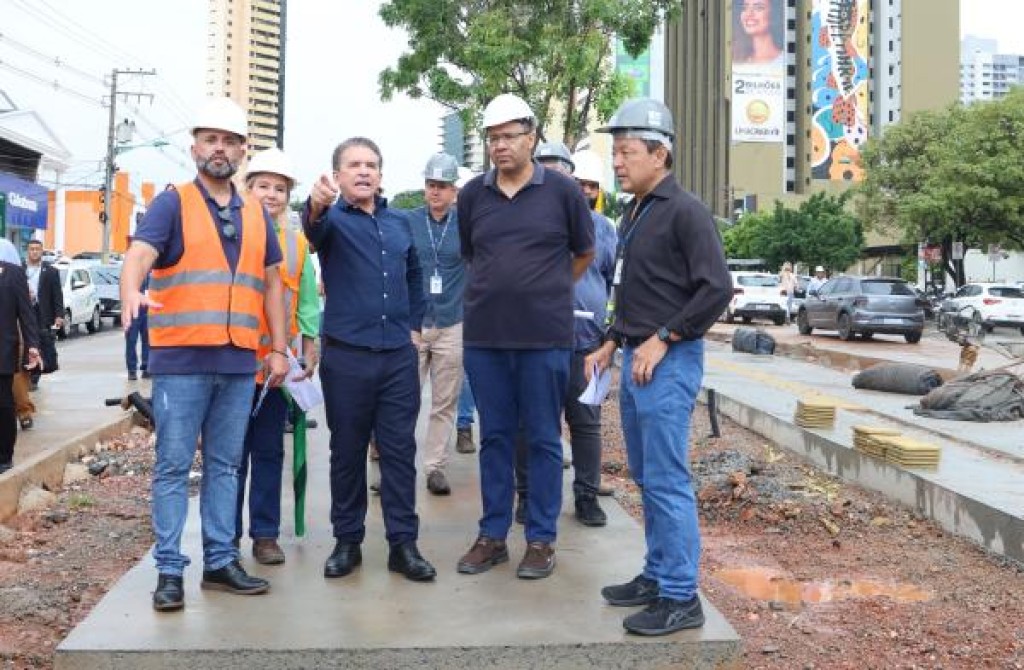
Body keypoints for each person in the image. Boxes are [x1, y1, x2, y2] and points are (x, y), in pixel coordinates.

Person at [120, 96, 289, 612]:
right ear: (195, 147)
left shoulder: (256, 213)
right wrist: (130, 290)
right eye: (211, 139)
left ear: (243, 151)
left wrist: (280, 348)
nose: (220, 148)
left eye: (230, 141)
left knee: (225, 466)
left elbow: (272, 284)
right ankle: (170, 571)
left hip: (238, 362)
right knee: (173, 467)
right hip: (181, 362)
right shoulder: (173, 202)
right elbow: (139, 253)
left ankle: (220, 561)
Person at [587, 98, 733, 635]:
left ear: (659, 153)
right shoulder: (636, 211)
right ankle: (657, 574)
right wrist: (612, 341)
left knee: (668, 479)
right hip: (636, 358)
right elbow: (634, 290)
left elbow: (716, 289)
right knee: (647, 476)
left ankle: (680, 596)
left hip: (668, 361)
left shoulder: (685, 211)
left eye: (626, 152)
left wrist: (665, 337)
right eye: (615, 152)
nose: (617, 162)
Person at [455, 94, 594, 580]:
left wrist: (547, 289)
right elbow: (471, 253)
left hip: (544, 338)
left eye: (509, 136)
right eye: (492, 138)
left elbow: (583, 252)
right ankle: (492, 536)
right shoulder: (472, 196)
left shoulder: (563, 192)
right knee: (494, 436)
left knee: (542, 438)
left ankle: (540, 540)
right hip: (486, 338)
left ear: (531, 138)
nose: (500, 146)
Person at [304, 137, 436, 583]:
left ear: (381, 174)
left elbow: (414, 275)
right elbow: (311, 228)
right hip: (347, 357)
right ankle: (347, 541)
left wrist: (414, 328)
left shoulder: (400, 223)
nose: (364, 171)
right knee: (347, 452)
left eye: (371, 165)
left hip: (398, 357)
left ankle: (404, 544)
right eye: (354, 165)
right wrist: (316, 204)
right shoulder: (330, 221)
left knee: (399, 452)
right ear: (337, 175)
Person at [512, 143, 617, 529]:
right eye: (579, 183)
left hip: (587, 346)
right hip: (536, 344)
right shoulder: (527, 222)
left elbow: (608, 279)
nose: (583, 190)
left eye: (590, 185)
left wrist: (608, 337)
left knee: (586, 423)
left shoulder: (605, 230)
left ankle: (586, 495)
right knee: (532, 425)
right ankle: (528, 495)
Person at [234, 147, 320, 565]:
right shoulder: (230, 233)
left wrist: (309, 344)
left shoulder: (295, 243)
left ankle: (265, 535)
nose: (271, 194)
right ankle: (225, 537)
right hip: (232, 364)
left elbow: (306, 299)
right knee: (230, 457)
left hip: (274, 366)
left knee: (269, 451)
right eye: (263, 185)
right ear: (247, 188)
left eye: (280, 188)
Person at [407, 153, 467, 495]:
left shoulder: (466, 225)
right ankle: (396, 465)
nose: (436, 191)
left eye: (443, 186)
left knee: (444, 402)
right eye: (431, 184)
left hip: (452, 321)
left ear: (454, 190)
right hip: (414, 324)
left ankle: (435, 468)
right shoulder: (409, 221)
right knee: (404, 400)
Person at [0, 237, 42, 474]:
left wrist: (32, 346)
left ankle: (4, 456)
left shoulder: (13, 274)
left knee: (4, 403)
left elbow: (26, 314)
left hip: (3, 349)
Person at [23, 239, 62, 391]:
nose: (34, 252)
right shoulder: (20, 269)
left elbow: (57, 295)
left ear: (41, 251)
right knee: (25, 342)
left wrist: (59, 315)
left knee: (40, 343)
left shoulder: (51, 272)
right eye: (31, 249)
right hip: (24, 311)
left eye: (37, 249)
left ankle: (34, 377)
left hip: (42, 313)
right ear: (27, 251)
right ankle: (25, 372)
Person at [732, 0, 784, 66]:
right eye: (745, 8)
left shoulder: (785, 61)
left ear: (774, 14)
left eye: (758, 8)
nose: (748, 14)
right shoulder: (738, 62)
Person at [125, 274, 150, 380]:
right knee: (131, 341)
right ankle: (132, 370)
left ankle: (146, 368)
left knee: (148, 341)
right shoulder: (131, 272)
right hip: (132, 311)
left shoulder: (151, 272)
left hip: (148, 310)